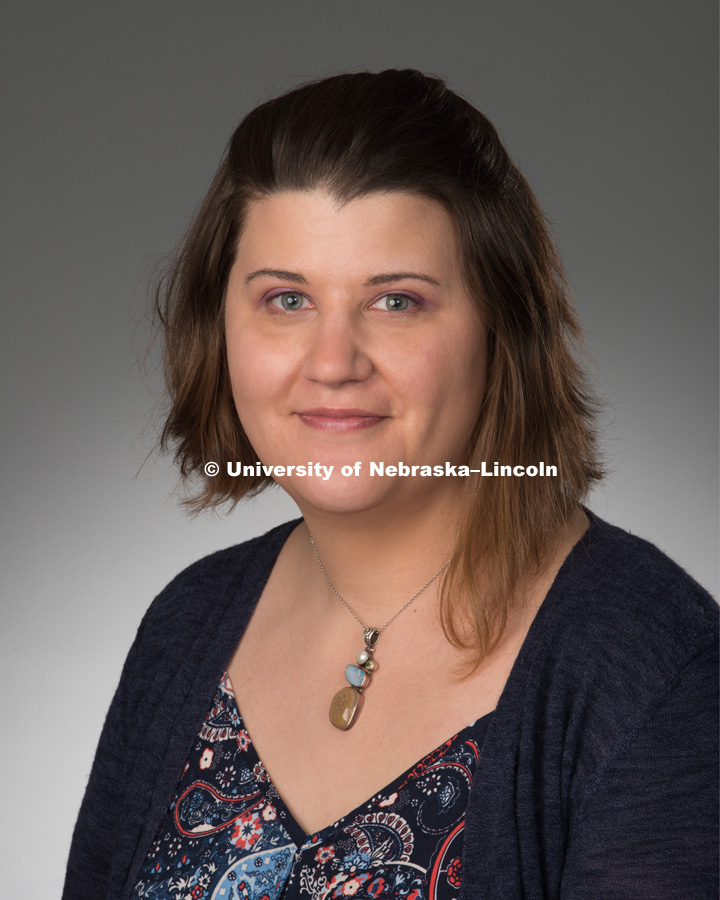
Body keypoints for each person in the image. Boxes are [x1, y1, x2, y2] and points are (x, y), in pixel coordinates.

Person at [63, 70, 718, 900]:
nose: (334, 362)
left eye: (397, 301)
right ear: (218, 321)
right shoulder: (185, 628)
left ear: (500, 328)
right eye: (288, 298)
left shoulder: (655, 671)